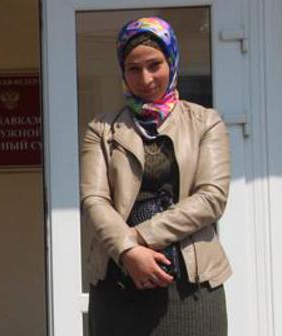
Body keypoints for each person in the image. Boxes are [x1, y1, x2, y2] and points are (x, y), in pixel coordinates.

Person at [80, 16, 231, 335]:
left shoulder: (206, 122)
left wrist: (136, 240)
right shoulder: (101, 129)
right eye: (134, 68)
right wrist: (127, 254)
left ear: (172, 61)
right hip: (117, 286)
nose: (145, 78)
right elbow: (93, 199)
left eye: (154, 65)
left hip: (191, 286)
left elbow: (211, 198)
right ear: (122, 70)